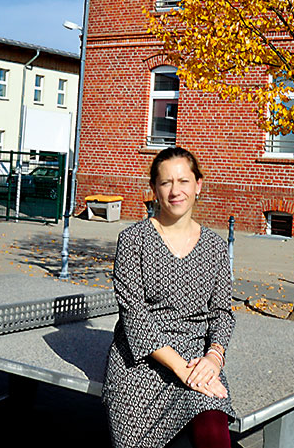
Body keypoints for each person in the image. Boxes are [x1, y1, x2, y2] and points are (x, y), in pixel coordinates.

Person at [102, 146, 235, 448]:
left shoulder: (215, 246)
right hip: (141, 363)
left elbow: (222, 313)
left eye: (184, 181)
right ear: (154, 189)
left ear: (198, 185)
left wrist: (214, 357)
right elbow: (134, 315)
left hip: (196, 358)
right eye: (166, 182)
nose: (176, 190)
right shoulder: (133, 239)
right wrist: (181, 370)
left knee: (213, 433)